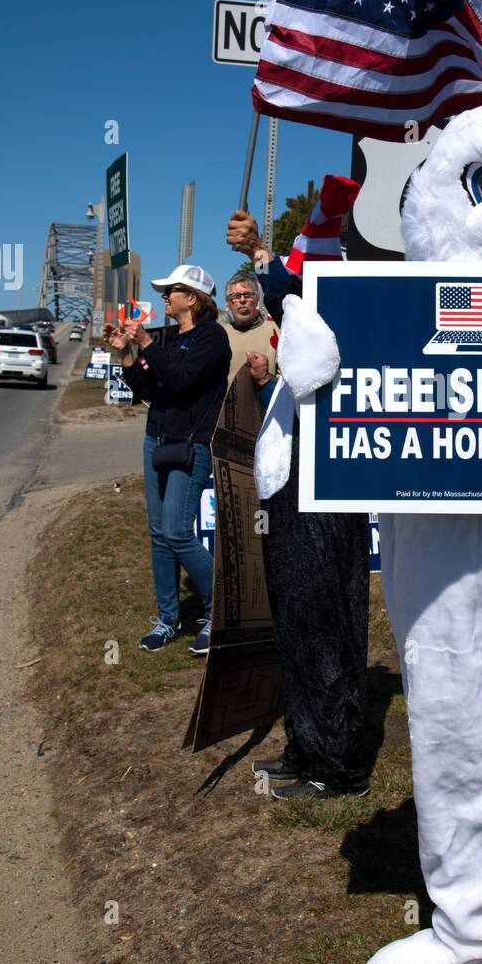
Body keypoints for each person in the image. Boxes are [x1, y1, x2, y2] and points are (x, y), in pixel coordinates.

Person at [225, 176, 371, 800]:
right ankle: (305, 744)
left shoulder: (338, 334)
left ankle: (337, 767)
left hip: (325, 494)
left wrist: (263, 252)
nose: (283, 304)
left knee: (325, 627)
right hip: (292, 494)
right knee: (298, 625)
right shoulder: (304, 353)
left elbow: (290, 294)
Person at [106, 265, 231, 655]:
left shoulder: (212, 338)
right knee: (159, 534)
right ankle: (168, 619)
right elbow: (149, 389)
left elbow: (179, 381)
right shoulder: (170, 338)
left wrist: (145, 342)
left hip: (190, 443)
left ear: (192, 298)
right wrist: (128, 354)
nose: (164, 297)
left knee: (177, 531)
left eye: (171, 291)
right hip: (155, 439)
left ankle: (220, 612)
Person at [220, 267, 279, 388]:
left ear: (257, 299)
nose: (242, 300)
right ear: (227, 302)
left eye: (248, 295)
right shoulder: (219, 335)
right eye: (236, 296)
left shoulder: (277, 330)